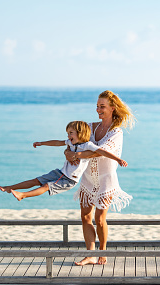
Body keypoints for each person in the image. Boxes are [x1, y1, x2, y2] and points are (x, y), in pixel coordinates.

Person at [64, 90, 135, 266]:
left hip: (105, 179)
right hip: (88, 178)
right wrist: (68, 153)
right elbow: (72, 141)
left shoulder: (116, 133)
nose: (98, 109)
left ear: (112, 108)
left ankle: (102, 251)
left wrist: (76, 155)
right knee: (85, 217)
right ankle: (90, 254)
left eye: (102, 106)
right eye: (97, 106)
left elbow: (98, 151)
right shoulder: (90, 127)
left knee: (100, 219)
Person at [0, 120, 127, 201]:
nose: (68, 136)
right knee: (36, 180)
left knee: (45, 186)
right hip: (60, 173)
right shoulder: (70, 143)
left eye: (71, 133)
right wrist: (41, 143)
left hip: (68, 179)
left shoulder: (87, 145)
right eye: (68, 133)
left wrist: (118, 159)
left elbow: (102, 151)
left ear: (80, 133)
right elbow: (57, 142)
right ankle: (10, 187)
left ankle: (23, 195)